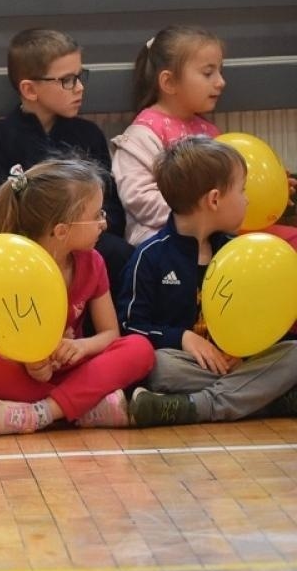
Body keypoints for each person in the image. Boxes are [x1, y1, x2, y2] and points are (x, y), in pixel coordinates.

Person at [0, 159, 154, 435]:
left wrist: (82, 347)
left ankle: (41, 413)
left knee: (139, 348)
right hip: (28, 376)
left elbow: (110, 335)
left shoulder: (93, 261)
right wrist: (30, 362)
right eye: (96, 215)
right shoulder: (10, 268)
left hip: (77, 369)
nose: (103, 224)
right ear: (61, 231)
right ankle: (82, 407)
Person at [117, 137, 297, 426]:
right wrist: (182, 338)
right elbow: (130, 327)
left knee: (294, 354)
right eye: (242, 190)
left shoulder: (236, 251)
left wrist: (245, 353)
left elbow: (258, 320)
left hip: (235, 364)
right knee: (160, 368)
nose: (248, 199)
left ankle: (198, 406)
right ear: (214, 199)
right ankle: (262, 398)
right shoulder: (149, 257)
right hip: (187, 365)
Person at [114, 26, 297, 251]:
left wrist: (271, 190)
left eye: (220, 71)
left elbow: (229, 185)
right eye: (208, 73)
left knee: (291, 240)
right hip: (168, 240)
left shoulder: (209, 132)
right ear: (169, 82)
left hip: (220, 232)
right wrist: (201, 217)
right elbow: (139, 199)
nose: (221, 82)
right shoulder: (143, 135)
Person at [0, 28, 129, 280]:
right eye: (67, 80)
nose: (79, 88)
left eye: (80, 77)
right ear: (30, 90)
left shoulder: (88, 135)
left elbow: (111, 205)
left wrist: (86, 234)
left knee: (121, 254)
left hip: (87, 246)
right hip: (24, 251)